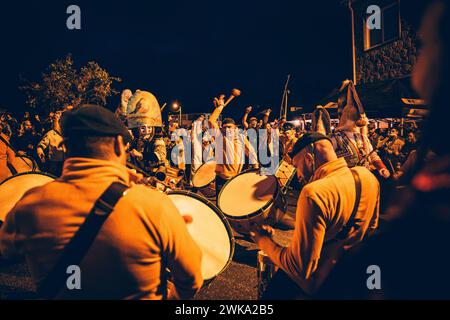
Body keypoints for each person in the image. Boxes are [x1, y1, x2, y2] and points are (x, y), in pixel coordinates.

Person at [317, 0, 450, 299]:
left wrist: (380, 165)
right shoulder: (338, 138)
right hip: (349, 187)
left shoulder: (437, 191)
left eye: (425, 45)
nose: (417, 62)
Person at [0, 105, 203, 299]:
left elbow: (6, 250)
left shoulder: (30, 204)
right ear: (117, 145)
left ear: (67, 147)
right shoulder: (154, 206)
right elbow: (191, 279)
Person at [250, 132, 380, 299]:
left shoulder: (314, 193)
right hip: (354, 275)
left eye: (297, 166)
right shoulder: (367, 177)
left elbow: (300, 269)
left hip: (321, 284)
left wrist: (263, 241)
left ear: (310, 159)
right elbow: (372, 229)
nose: (297, 175)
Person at [208, 94, 259, 195]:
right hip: (221, 178)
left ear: (235, 127)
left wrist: (256, 169)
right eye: (225, 127)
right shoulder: (219, 136)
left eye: (229, 127)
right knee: (220, 205)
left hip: (235, 177)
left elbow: (251, 153)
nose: (227, 129)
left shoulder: (241, 138)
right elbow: (211, 121)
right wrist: (219, 107)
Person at [37, 112, 65, 176]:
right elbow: (41, 145)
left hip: (67, 163)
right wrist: (40, 151)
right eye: (56, 120)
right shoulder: (51, 133)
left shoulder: (69, 132)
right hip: (55, 163)